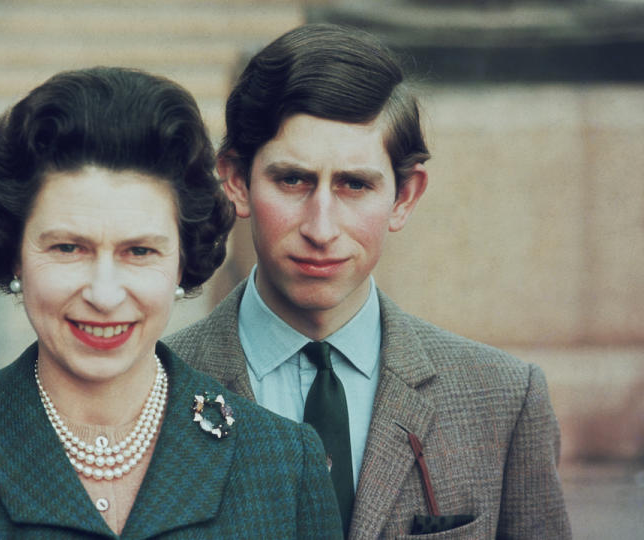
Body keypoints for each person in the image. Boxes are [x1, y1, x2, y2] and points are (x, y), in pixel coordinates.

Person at [0, 67, 342, 539]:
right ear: (16, 255)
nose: (104, 295)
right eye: (69, 248)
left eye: (139, 251)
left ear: (182, 261)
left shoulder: (284, 465)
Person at [165, 24, 571, 538]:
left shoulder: (504, 399)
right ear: (238, 181)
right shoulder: (152, 390)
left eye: (355, 185)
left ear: (404, 197)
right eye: (293, 180)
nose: (321, 228)